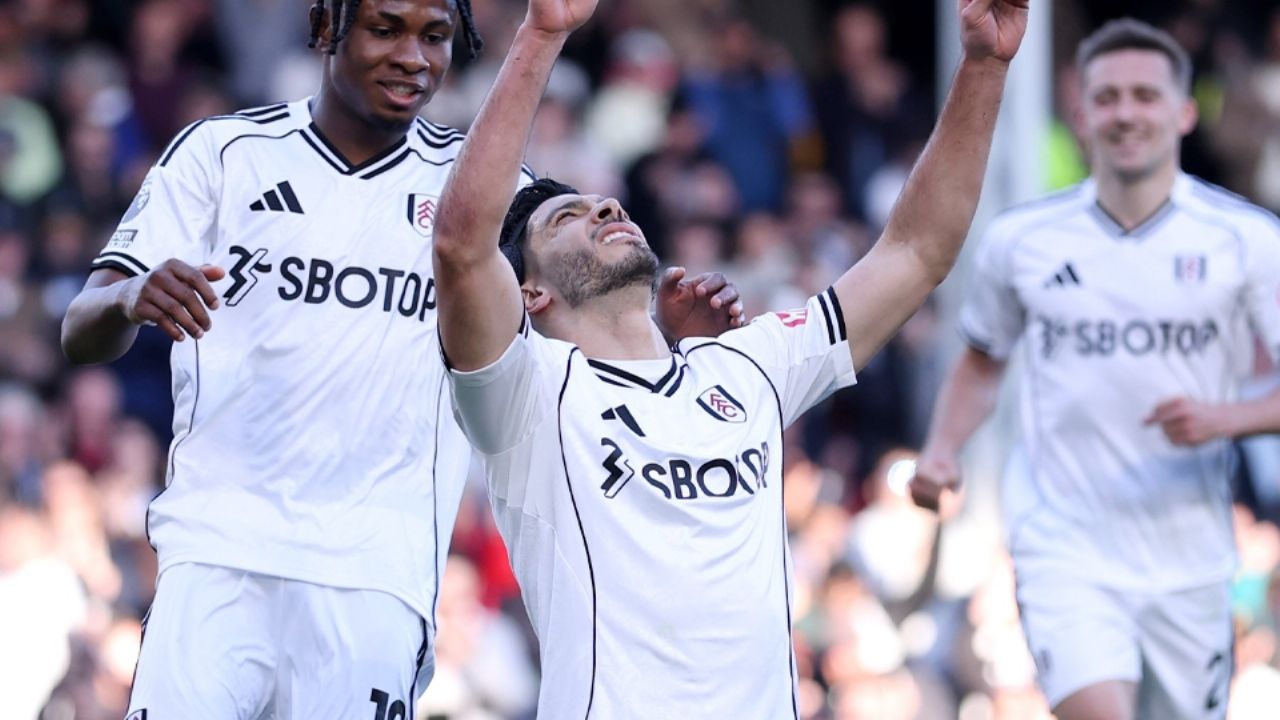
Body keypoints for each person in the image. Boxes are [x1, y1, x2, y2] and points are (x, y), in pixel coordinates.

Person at [59, 0, 740, 716]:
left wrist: (671, 340)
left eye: (436, 36)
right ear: (327, 27)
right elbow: (83, 327)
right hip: (218, 554)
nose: (413, 57)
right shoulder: (222, 154)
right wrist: (132, 294)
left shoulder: (482, 190)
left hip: (377, 576)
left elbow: (575, 321)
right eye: (386, 29)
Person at [431, 0, 1028, 715]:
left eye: (607, 206)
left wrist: (985, 67)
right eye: (568, 217)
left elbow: (915, 252)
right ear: (527, 294)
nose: (604, 211)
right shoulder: (527, 396)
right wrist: (544, 34)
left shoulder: (745, 367)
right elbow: (462, 248)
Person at [909, 18, 1280, 720]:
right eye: (1108, 98)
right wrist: (941, 449)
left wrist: (1227, 419)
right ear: (1081, 114)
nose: (1126, 113)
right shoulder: (1023, 242)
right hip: (1065, 541)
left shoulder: (1246, 240)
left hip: (1189, 557)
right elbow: (983, 364)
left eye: (1145, 95)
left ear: (1184, 110)